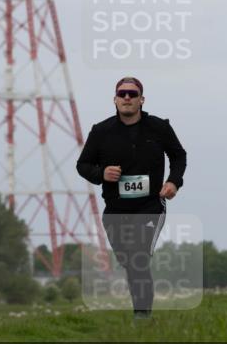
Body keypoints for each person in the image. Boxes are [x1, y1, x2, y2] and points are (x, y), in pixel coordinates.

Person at [76, 77, 187, 319]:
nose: (127, 98)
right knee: (129, 261)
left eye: (132, 94)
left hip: (150, 206)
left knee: (138, 257)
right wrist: (101, 173)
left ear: (141, 100)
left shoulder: (159, 128)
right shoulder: (101, 131)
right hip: (115, 210)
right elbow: (82, 165)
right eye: (122, 94)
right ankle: (141, 309)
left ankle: (142, 317)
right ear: (115, 99)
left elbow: (179, 156)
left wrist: (173, 182)